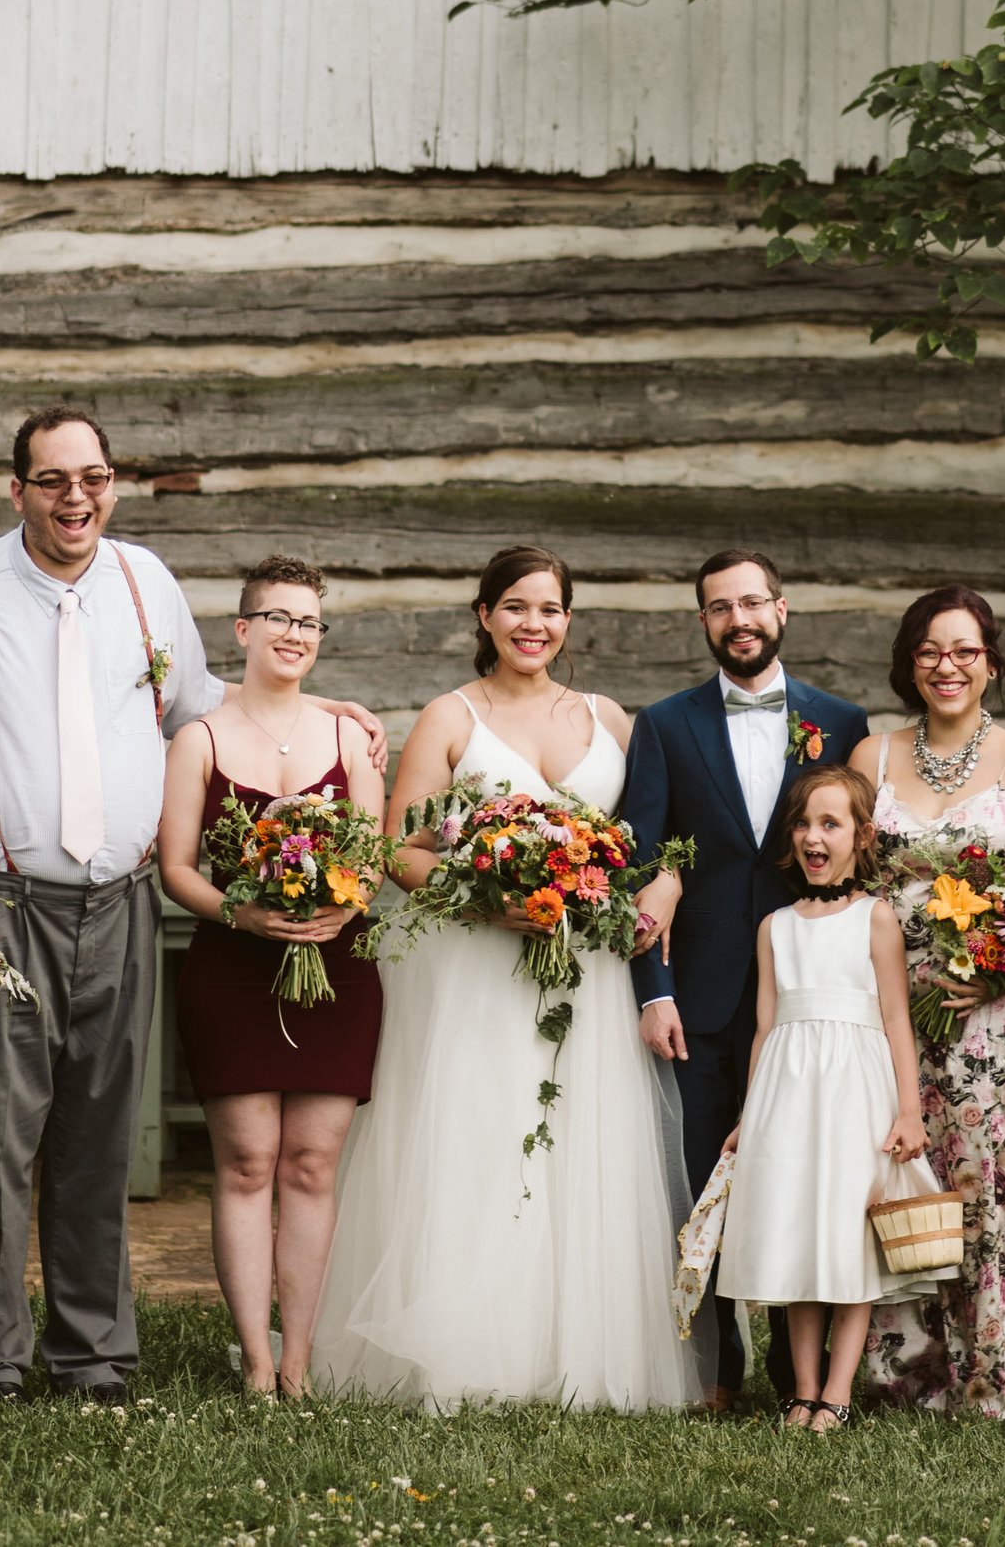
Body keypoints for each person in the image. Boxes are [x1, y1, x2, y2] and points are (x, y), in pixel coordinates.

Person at [0, 406, 388, 1404]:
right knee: (3, 1137)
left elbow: (198, 706)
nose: (75, 497)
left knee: (97, 1134)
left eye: (92, 476)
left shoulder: (146, 581)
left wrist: (322, 708)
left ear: (110, 484)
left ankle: (93, 1355)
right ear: (17, 490)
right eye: (52, 479)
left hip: (125, 898)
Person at [311, 542, 698, 1409]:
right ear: (484, 616)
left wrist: (664, 878)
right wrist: (484, 898)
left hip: (586, 975)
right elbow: (394, 850)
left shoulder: (612, 719)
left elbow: (657, 839)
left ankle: (577, 1348)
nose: (535, 624)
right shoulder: (453, 717)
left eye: (551, 608)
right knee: (482, 1139)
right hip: (478, 967)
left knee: (580, 1145)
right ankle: (469, 1351)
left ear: (569, 620)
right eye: (517, 607)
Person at [621, 548, 870, 1406]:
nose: (741, 620)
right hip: (700, 992)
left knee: (808, 1177)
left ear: (783, 609)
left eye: (753, 603)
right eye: (721, 608)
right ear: (704, 623)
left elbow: (861, 856)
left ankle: (798, 1373)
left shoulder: (842, 721)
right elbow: (642, 864)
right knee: (702, 1181)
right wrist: (653, 989)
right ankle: (717, 1363)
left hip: (812, 1006)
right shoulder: (665, 724)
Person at [853, 582, 1005, 1431]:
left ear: (991, 663)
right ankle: (907, 1376)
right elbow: (845, 879)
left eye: (964, 650)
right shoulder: (870, 758)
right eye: (929, 651)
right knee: (905, 1177)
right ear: (908, 664)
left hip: (999, 1023)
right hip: (891, 1013)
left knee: (1002, 1186)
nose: (946, 665)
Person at [158, 551, 384, 1401]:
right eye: (280, 619)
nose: (296, 635)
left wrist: (345, 902)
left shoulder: (349, 739)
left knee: (312, 1167)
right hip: (233, 968)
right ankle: (255, 1360)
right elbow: (175, 868)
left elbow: (371, 854)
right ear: (244, 629)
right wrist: (243, 914)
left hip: (339, 969)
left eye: (310, 622)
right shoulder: (201, 739)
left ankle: (301, 1359)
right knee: (249, 1162)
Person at [717, 767, 926, 1433]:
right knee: (799, 1237)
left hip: (854, 1097)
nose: (813, 836)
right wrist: (750, 1116)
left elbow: (896, 1018)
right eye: (805, 823)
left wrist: (909, 1110)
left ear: (862, 836)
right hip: (787, 1095)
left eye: (830, 824)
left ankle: (837, 1392)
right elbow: (765, 1026)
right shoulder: (775, 927)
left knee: (846, 1241)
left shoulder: (876, 917)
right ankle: (801, 1389)